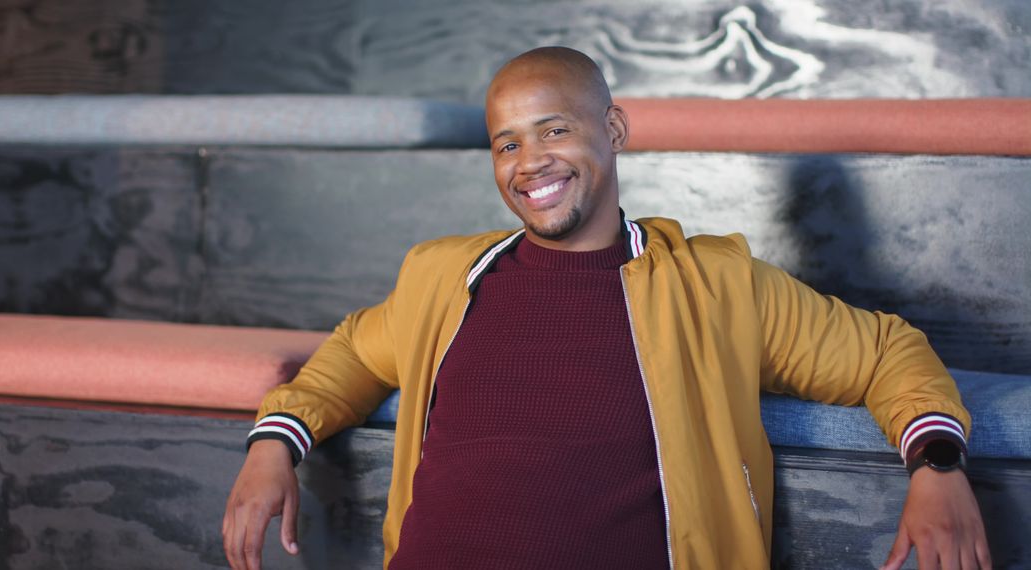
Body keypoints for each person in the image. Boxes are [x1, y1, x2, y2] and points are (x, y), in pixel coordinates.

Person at [222, 47, 990, 570]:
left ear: (613, 130)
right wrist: (275, 444)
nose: (531, 164)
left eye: (555, 129)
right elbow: (356, 352)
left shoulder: (716, 284)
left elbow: (887, 352)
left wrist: (938, 463)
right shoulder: (441, 277)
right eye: (507, 144)